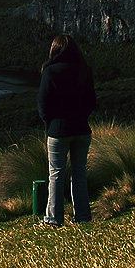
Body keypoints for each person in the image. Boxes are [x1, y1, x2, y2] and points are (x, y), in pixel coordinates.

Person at [37, 34, 96, 226]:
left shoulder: (50, 71)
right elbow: (91, 102)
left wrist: (51, 122)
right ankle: (83, 216)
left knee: (56, 174)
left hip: (59, 130)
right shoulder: (84, 70)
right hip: (82, 129)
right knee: (79, 172)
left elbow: (43, 105)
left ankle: (54, 218)